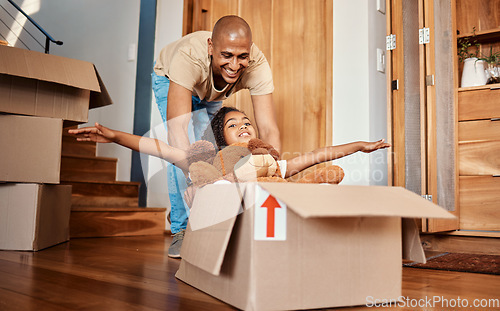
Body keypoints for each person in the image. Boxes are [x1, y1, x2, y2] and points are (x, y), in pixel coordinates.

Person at [152, 15, 279, 258]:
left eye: (242, 56)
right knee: (188, 151)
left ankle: (204, 214)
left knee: (211, 148)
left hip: (210, 92)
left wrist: (268, 170)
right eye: (226, 56)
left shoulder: (257, 65)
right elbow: (177, 130)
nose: (234, 65)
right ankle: (181, 229)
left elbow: (269, 129)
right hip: (170, 79)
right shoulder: (188, 57)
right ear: (211, 47)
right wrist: (196, 180)